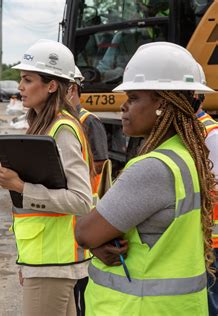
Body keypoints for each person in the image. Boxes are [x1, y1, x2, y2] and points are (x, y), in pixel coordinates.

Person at [75, 42, 216, 315]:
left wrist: (97, 241)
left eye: (134, 97)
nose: (123, 106)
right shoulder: (185, 154)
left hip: (139, 307)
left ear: (163, 103)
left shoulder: (153, 168)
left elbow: (85, 233)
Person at [0, 39, 93, 315]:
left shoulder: (61, 129)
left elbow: (81, 200)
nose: (20, 87)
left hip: (53, 262)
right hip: (44, 260)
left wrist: (20, 187)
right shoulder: (43, 127)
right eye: (20, 80)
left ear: (51, 85)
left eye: (28, 80)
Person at [70, 66, 109, 316]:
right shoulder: (61, 122)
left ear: (71, 89)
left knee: (84, 285)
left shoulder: (88, 122)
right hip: (70, 214)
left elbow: (99, 166)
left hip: (87, 213)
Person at [194, 64, 218, 316]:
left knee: (211, 299)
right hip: (201, 233)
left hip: (213, 237)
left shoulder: (210, 133)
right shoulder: (194, 130)